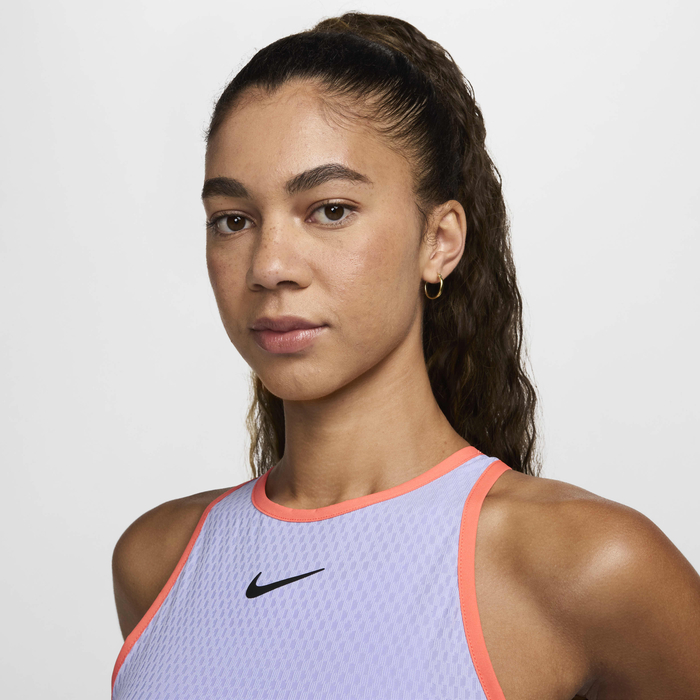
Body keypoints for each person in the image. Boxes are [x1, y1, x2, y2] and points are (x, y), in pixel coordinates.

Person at [110, 12, 700, 700]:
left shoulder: (589, 566)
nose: (269, 266)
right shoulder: (158, 561)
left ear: (439, 240)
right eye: (233, 220)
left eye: (330, 210)